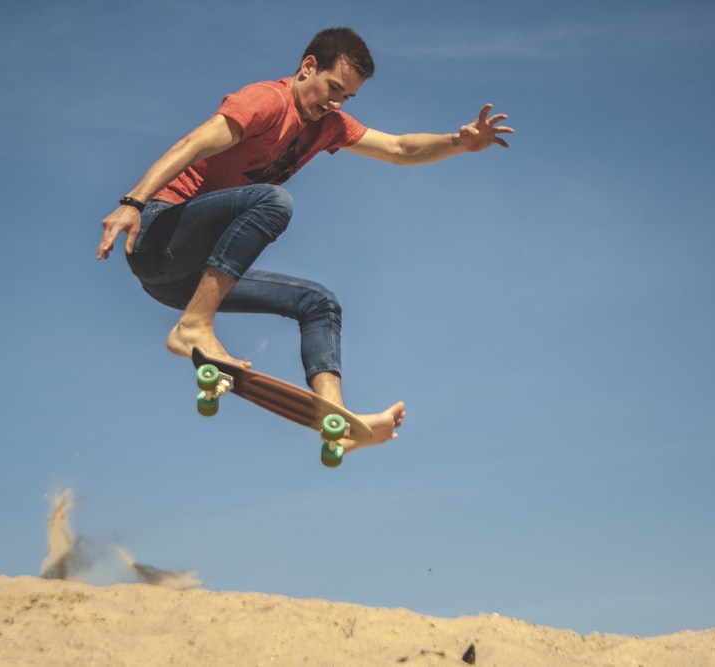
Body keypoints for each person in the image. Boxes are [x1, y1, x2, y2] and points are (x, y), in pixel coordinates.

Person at [97, 27, 513, 454]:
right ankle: (194, 326)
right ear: (308, 66)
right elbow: (192, 144)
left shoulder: (329, 126)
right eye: (332, 89)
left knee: (320, 303)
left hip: (181, 282)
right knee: (273, 201)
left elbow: (399, 149)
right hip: (159, 235)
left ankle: (334, 421)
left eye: (346, 98)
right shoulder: (267, 102)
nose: (334, 103)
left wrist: (459, 143)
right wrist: (133, 202)